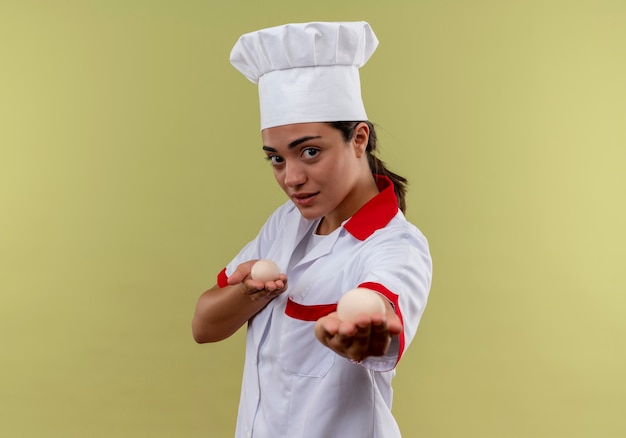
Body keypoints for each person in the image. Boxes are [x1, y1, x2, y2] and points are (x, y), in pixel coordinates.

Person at [192, 21, 432, 438]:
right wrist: (248, 293)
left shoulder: (397, 245)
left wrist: (364, 325)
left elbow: (382, 311)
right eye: (277, 159)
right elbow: (204, 326)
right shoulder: (286, 223)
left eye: (310, 151)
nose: (292, 178)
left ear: (358, 139)